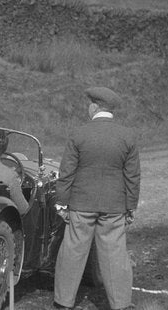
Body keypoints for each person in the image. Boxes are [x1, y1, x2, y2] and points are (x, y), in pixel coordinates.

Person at [53, 87, 140, 310]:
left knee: (73, 251)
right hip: (114, 206)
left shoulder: (78, 134)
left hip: (81, 203)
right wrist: (131, 206)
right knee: (115, 254)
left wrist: (61, 202)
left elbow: (66, 172)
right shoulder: (128, 136)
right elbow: (132, 176)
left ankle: (63, 302)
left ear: (94, 107)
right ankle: (121, 304)